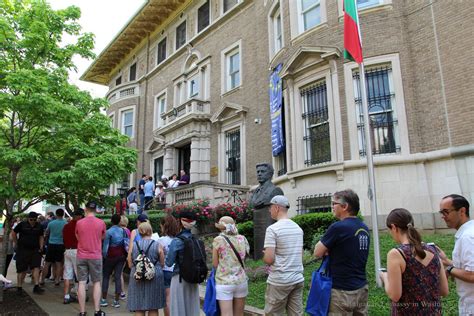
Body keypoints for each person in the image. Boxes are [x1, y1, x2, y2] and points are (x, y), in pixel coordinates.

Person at [379, 208, 449, 315]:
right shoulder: (433, 249)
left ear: (393, 227)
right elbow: (444, 291)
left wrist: (385, 277)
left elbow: (394, 295)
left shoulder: (397, 254)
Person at [313, 189, 370, 315]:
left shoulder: (338, 227)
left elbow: (317, 252)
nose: (332, 206)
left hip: (341, 292)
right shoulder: (364, 228)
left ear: (345, 206)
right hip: (362, 289)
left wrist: (328, 248)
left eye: (334, 203)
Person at [262, 195, 304, 315]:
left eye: (270, 207)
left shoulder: (272, 229)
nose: (269, 210)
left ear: (276, 207)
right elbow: (300, 257)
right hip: (297, 279)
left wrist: (266, 254)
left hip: (279, 281)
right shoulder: (298, 228)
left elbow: (269, 260)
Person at [437, 194, 474, 315]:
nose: (443, 216)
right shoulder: (469, 231)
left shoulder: (467, 237)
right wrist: (446, 260)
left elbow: (472, 275)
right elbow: (467, 267)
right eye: (441, 213)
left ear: (462, 211)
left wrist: (449, 269)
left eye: (446, 212)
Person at [213, 216, 250, 316]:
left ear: (221, 228)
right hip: (241, 281)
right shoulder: (242, 238)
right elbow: (244, 257)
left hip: (224, 282)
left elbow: (215, 264)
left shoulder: (218, 240)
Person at [166, 212, 200, 316]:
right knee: (192, 308)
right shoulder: (196, 239)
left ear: (180, 223)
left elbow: (169, 262)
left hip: (179, 277)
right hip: (194, 277)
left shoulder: (177, 241)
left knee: (178, 308)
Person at [127, 221, 166, 315]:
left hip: (137, 274)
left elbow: (129, 263)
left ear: (139, 232)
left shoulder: (134, 245)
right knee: (153, 306)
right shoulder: (157, 245)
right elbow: (162, 263)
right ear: (151, 231)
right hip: (155, 275)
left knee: (139, 306)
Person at [75, 201, 107, 316]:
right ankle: (97, 310)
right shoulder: (101, 223)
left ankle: (82, 311)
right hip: (95, 255)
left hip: (82, 255)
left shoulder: (79, 223)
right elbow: (103, 236)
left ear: (86, 209)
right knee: (97, 282)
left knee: (82, 283)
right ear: (96, 210)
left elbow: (77, 236)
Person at [12, 212, 45, 294]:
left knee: (36, 267)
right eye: (31, 220)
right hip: (23, 250)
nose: (33, 221)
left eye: (34, 220)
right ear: (28, 218)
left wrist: (41, 247)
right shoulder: (22, 225)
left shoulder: (39, 226)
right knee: (21, 269)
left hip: (35, 250)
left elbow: (41, 236)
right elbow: (14, 232)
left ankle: (36, 286)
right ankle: (19, 287)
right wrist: (16, 242)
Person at [101, 214, 128, 308]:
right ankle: (116, 301)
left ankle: (104, 299)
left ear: (111, 221)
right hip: (121, 256)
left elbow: (105, 248)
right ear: (120, 221)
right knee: (117, 276)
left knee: (106, 276)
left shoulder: (108, 232)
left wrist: (105, 257)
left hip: (111, 256)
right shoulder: (123, 231)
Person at [158, 215, 179, 316]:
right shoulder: (179, 239)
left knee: (167, 298)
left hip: (166, 270)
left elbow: (158, 256)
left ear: (164, 226)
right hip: (178, 271)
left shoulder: (161, 240)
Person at [41, 208, 67, 286]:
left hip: (51, 244)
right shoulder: (65, 224)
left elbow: (46, 232)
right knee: (59, 263)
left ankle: (42, 279)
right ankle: (57, 280)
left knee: (47, 263)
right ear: (63, 214)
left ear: (56, 214)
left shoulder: (51, 223)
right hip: (61, 244)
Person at [62, 209, 84, 304]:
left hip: (67, 250)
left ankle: (66, 296)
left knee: (67, 274)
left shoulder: (66, 226)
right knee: (79, 275)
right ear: (79, 216)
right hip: (77, 250)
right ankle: (80, 295)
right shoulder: (80, 225)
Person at [119, 215, 131, 301]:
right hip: (126, 254)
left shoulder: (119, 230)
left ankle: (122, 292)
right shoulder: (128, 231)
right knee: (120, 273)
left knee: (119, 274)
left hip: (119, 253)